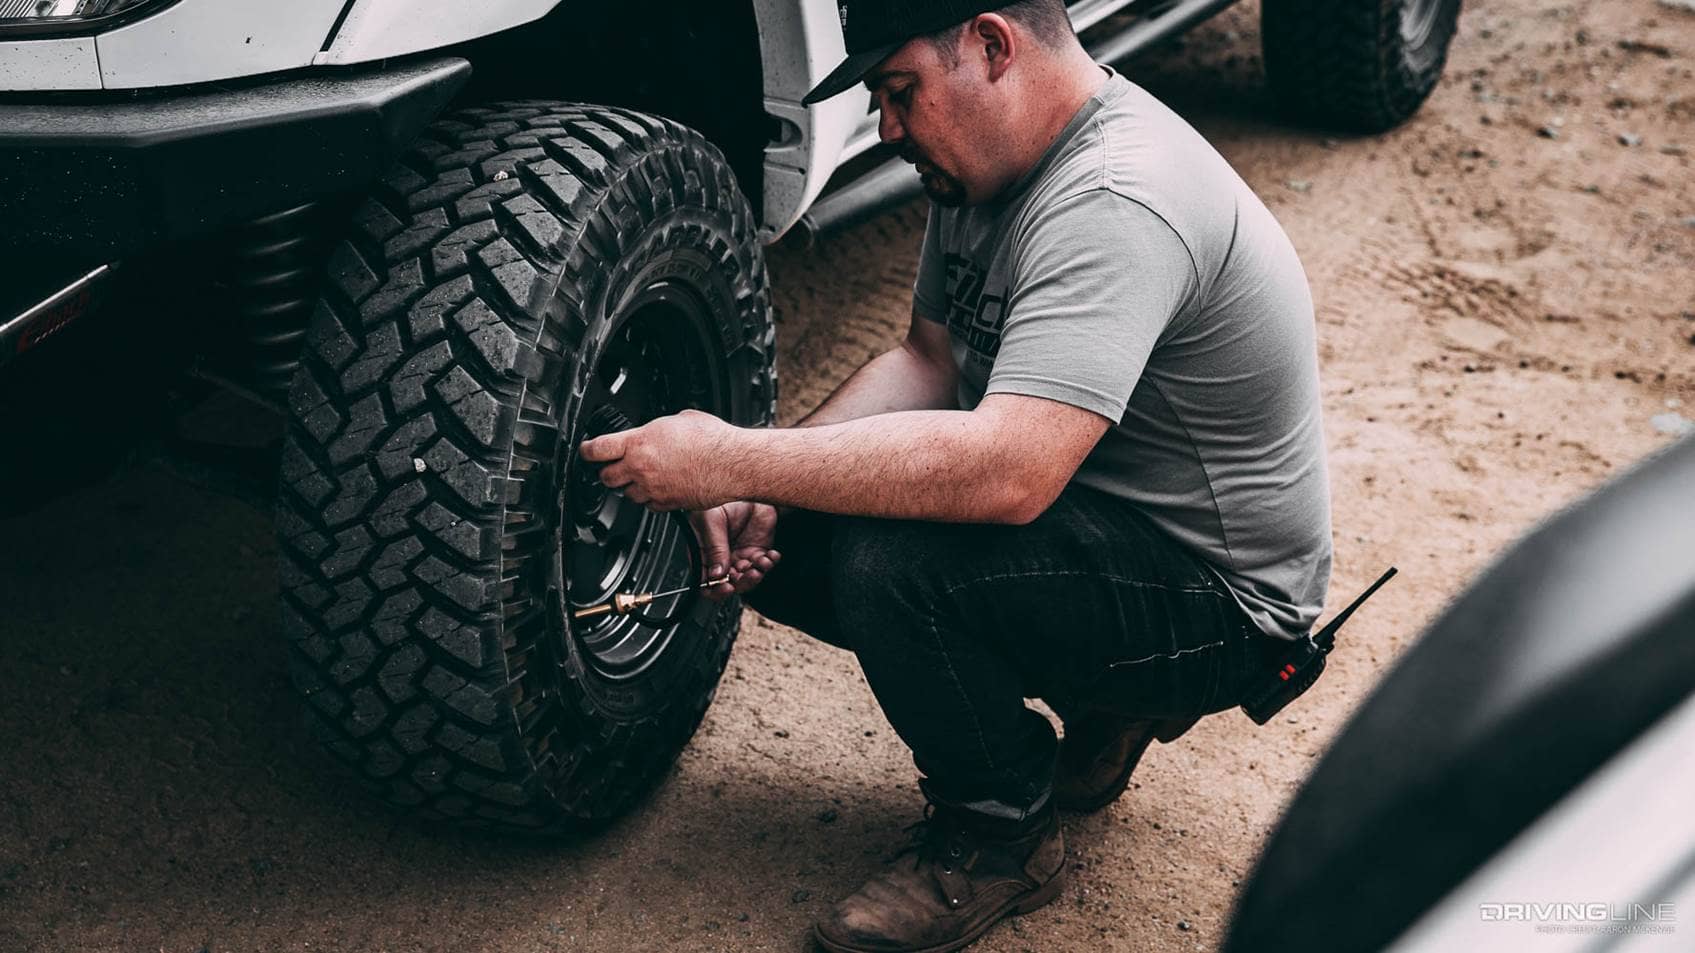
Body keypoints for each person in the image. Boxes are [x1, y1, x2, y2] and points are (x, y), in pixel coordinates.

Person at [577, 0, 1333, 949]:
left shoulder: (1115, 196)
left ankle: (998, 834)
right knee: (792, 518)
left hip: (1222, 607)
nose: (887, 129)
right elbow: (927, 362)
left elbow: (1008, 474)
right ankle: (1108, 703)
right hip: (1101, 526)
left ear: (989, 44)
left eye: (900, 93)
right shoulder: (986, 167)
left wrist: (728, 454)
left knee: (893, 563)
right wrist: (759, 486)